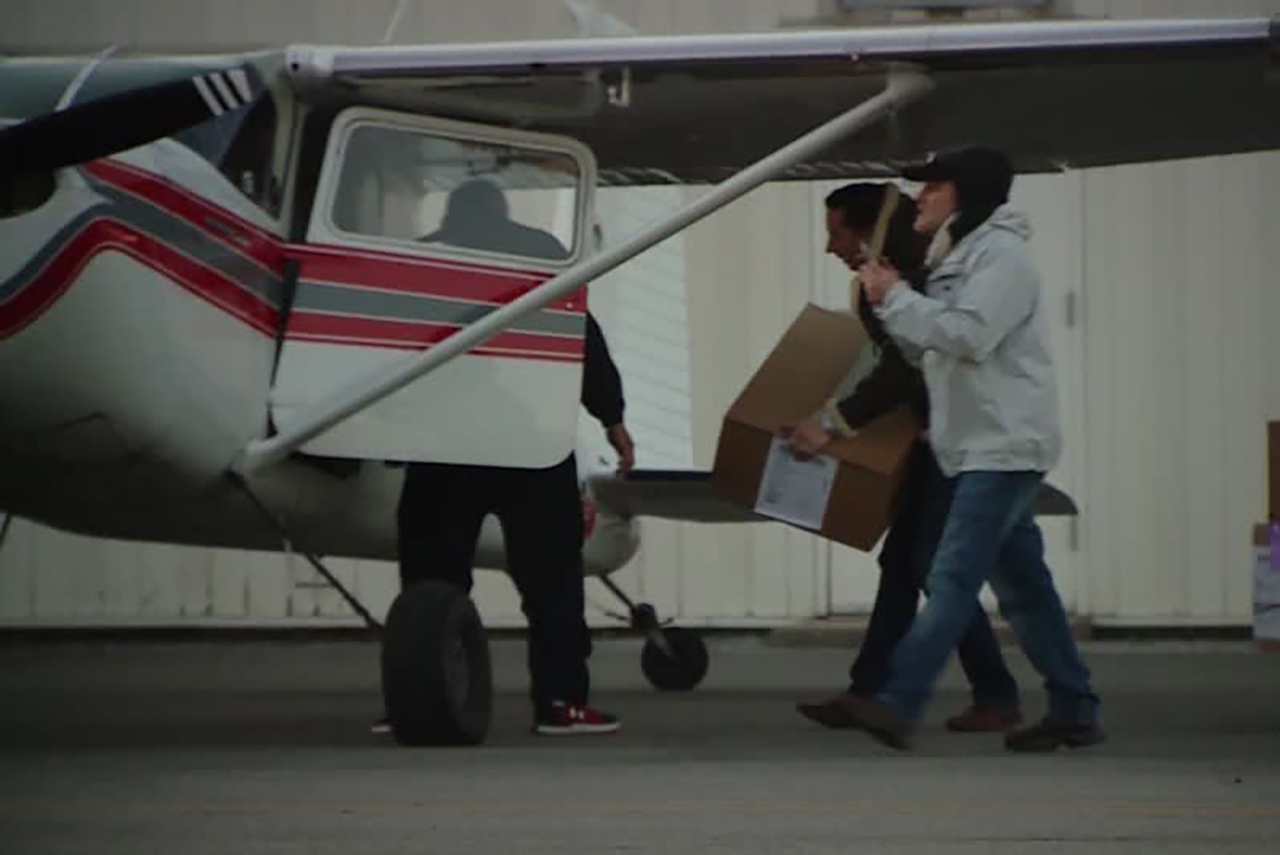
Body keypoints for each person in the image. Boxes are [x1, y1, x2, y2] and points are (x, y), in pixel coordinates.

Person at [841, 146, 1103, 752]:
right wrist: (888, 305)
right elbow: (931, 345)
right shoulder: (956, 256)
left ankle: (899, 701)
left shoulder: (1002, 258)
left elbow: (971, 335)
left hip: (1003, 444)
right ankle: (1075, 707)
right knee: (1024, 589)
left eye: (933, 187)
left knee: (951, 576)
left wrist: (896, 299)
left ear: (966, 194)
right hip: (973, 445)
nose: (920, 198)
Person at [390, 179, 634, 737]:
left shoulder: (422, 261)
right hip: (531, 442)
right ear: (504, 214)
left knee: (432, 580)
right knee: (552, 584)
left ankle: (419, 699)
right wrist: (613, 420)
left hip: (443, 445)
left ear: (450, 217)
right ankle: (561, 703)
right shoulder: (544, 257)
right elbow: (583, 340)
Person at [789, 183, 1023, 735]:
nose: (830, 247)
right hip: (938, 438)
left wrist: (831, 422)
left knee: (933, 566)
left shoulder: (909, 276)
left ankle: (993, 694)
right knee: (904, 564)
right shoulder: (897, 274)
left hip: (961, 440)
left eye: (837, 233)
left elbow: (904, 368)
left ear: (867, 231)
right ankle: (869, 690)